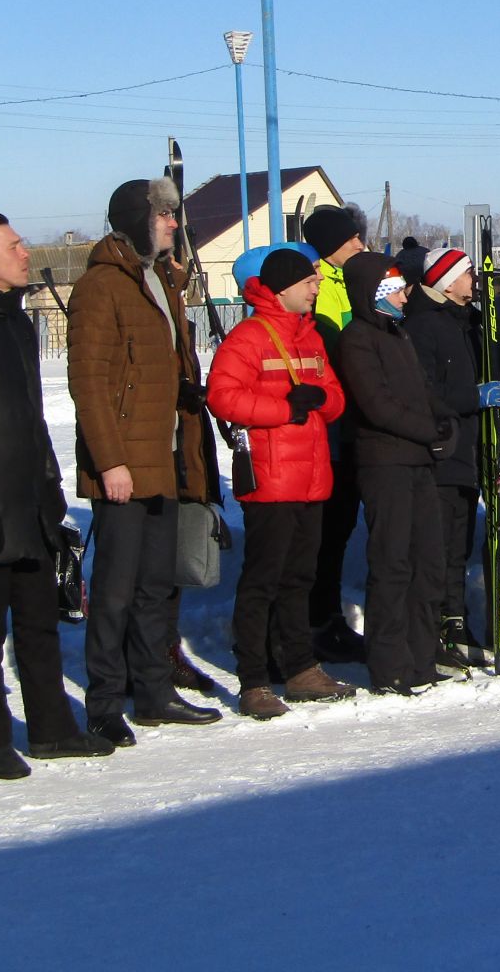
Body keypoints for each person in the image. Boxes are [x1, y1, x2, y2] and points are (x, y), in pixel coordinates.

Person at [0, 215, 116, 778]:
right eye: (13, 246)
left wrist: (50, 486)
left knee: (38, 620)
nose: (25, 253)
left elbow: (30, 418)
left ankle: (52, 729)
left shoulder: (15, 322)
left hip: (31, 499)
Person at [67, 180, 222, 746]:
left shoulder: (159, 281)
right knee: (114, 589)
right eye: (164, 216)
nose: (174, 225)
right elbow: (88, 383)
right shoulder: (100, 287)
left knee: (156, 584)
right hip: (125, 463)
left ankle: (154, 692)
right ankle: (105, 701)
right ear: (137, 218)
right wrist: (109, 463)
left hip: (166, 454)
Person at [206, 247, 355, 718]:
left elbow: (334, 400)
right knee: (262, 581)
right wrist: (284, 409)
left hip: (311, 477)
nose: (317, 287)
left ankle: (299, 668)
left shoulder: (308, 336)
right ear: (285, 287)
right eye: (309, 282)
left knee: (300, 579)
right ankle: (254, 679)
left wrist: (318, 399)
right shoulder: (249, 337)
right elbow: (222, 397)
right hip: (271, 480)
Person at [337, 254, 453, 694]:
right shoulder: (358, 339)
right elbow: (377, 404)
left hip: (420, 460)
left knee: (429, 560)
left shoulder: (399, 334)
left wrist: (446, 427)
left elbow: (425, 392)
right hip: (385, 463)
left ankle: (421, 658)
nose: (406, 296)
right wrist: (430, 430)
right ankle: (390, 666)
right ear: (375, 295)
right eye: (398, 290)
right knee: (392, 563)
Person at [402, 245, 500, 671]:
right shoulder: (425, 325)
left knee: (458, 544)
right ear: (447, 283)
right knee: (441, 545)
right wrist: (474, 398)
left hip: (467, 450)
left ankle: (456, 621)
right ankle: (442, 628)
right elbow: (425, 391)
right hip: (442, 452)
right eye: (468, 275)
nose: (475, 282)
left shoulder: (466, 322)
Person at [303, 203, 371, 663]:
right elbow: (336, 348)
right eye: (352, 240)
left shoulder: (347, 280)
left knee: (341, 528)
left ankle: (326, 618)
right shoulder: (322, 288)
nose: (361, 246)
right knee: (329, 531)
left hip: (353, 423)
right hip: (334, 428)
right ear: (332, 246)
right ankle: (320, 622)